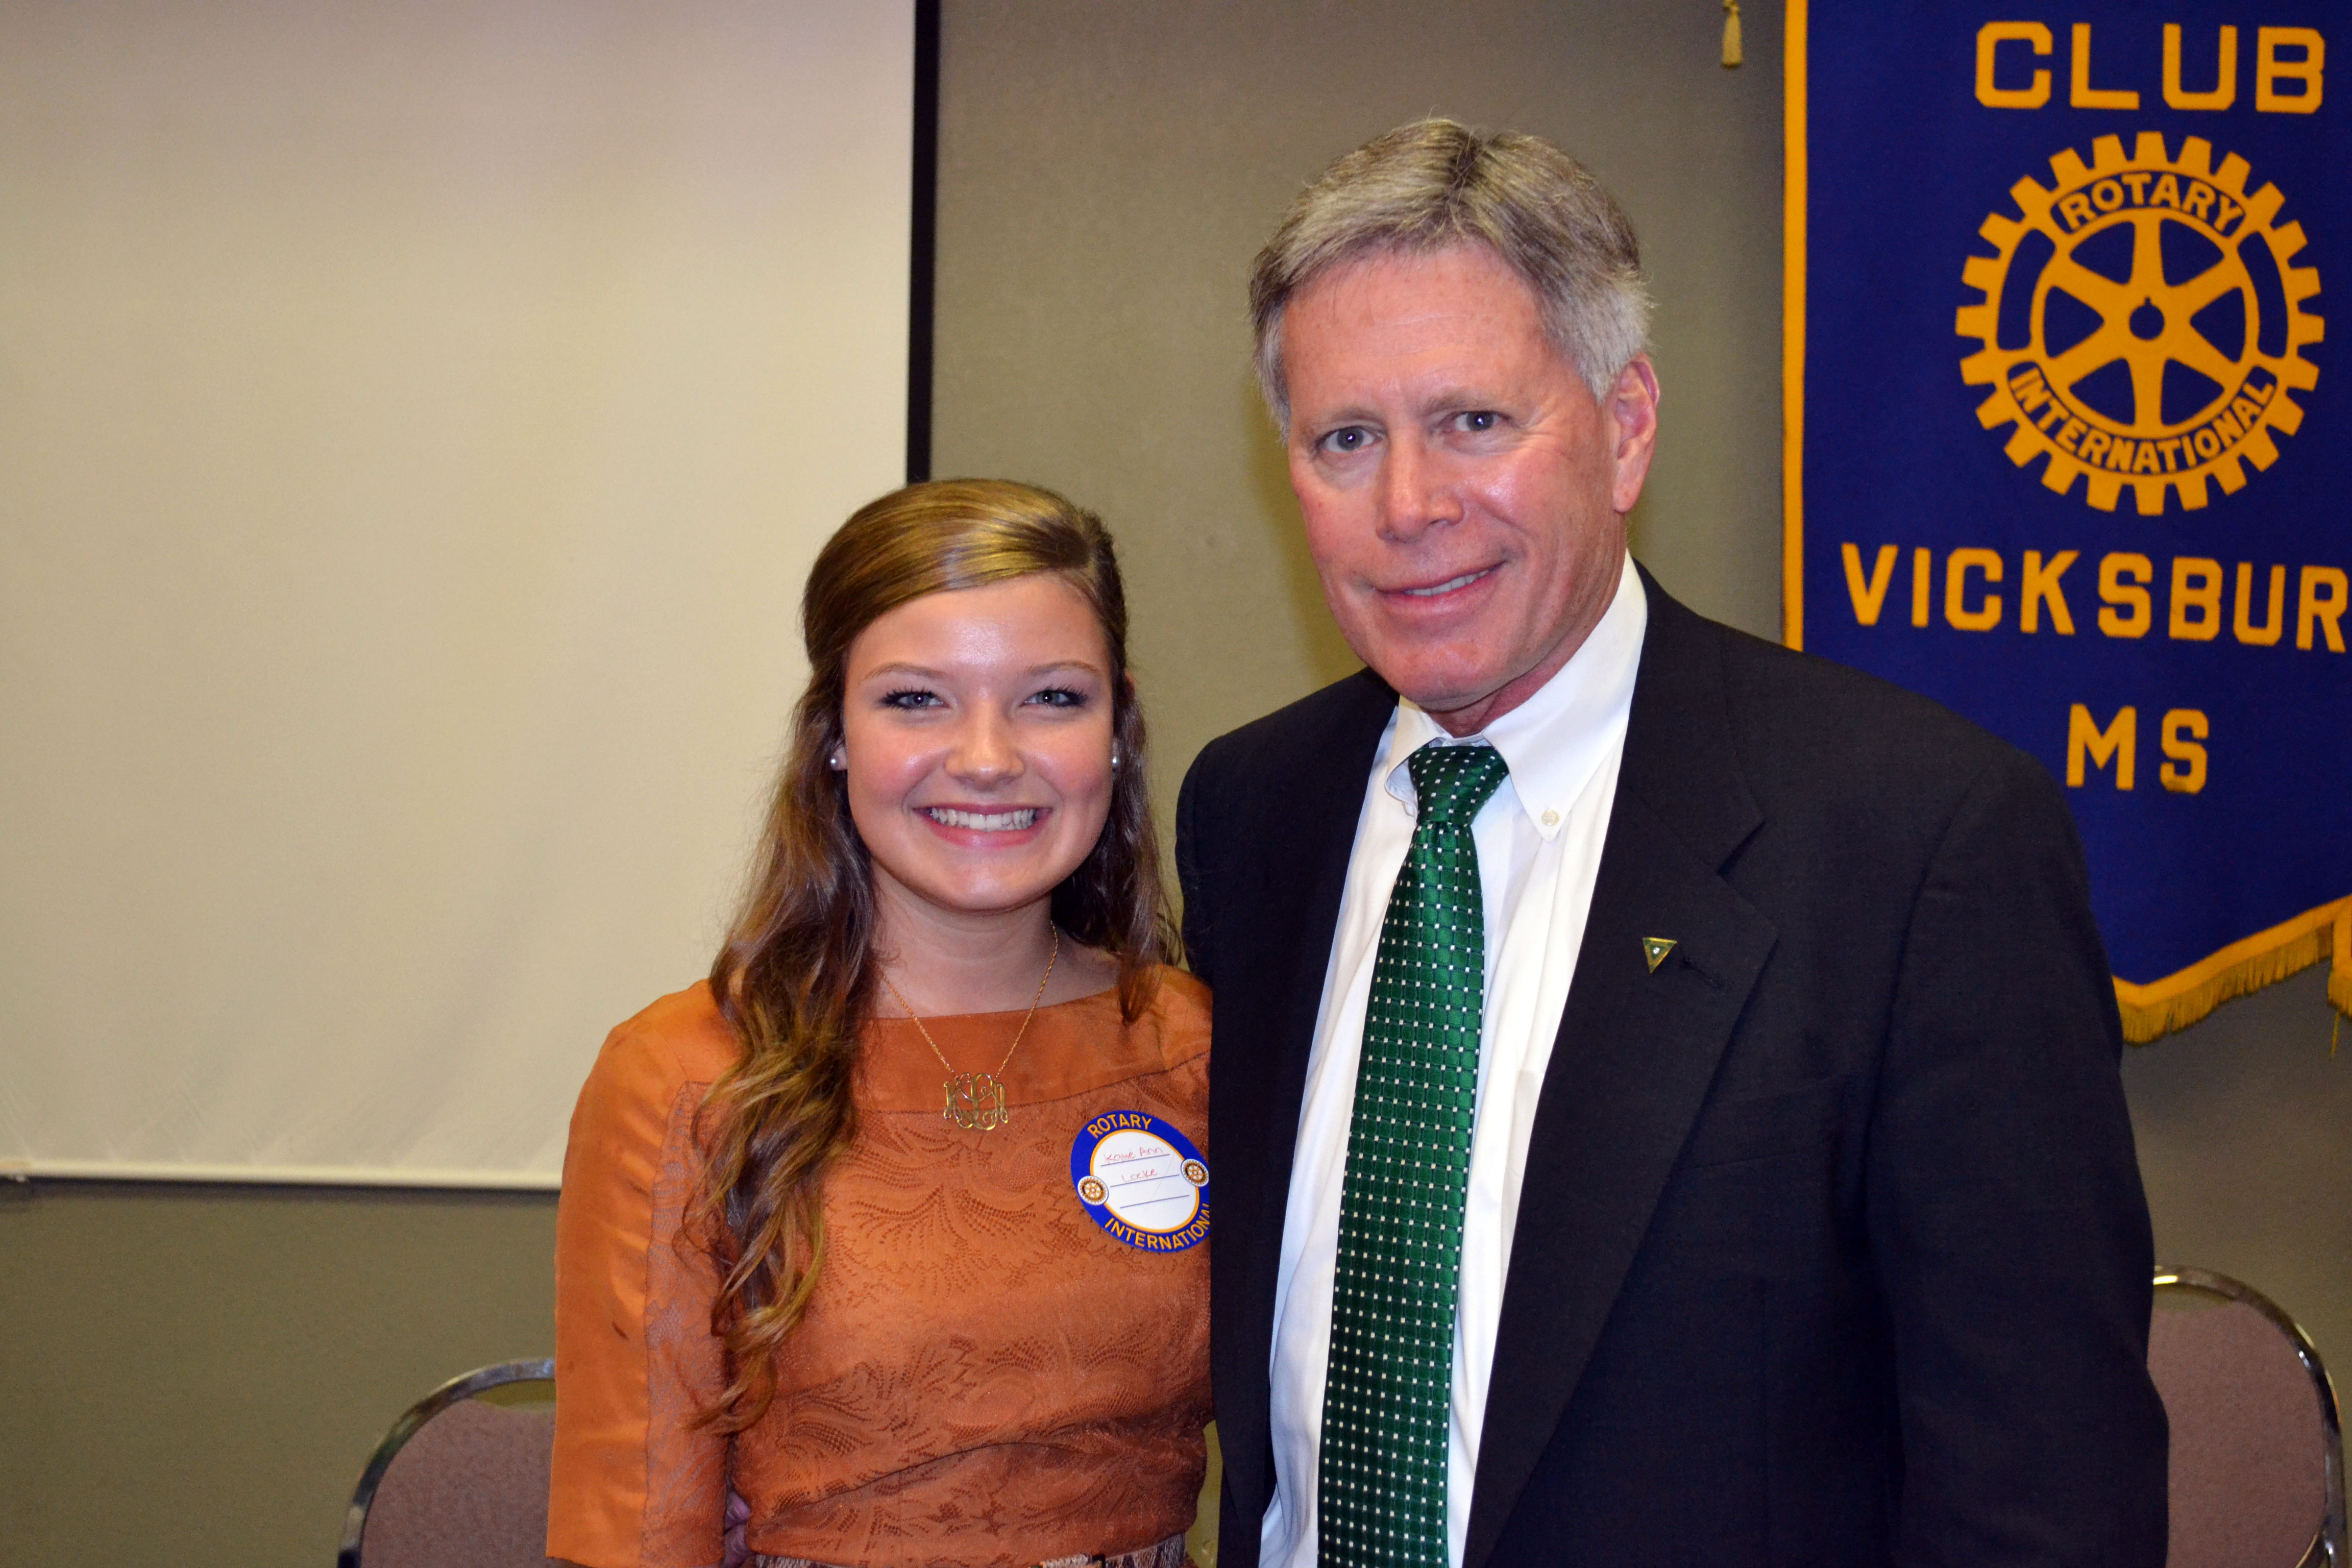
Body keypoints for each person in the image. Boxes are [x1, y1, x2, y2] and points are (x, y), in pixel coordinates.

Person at [1177, 120, 2167, 1568]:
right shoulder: (1255, 813)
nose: (1407, 507)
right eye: (1346, 439)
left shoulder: (1917, 841)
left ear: (1626, 425)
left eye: (1472, 422)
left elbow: (2043, 1491)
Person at [550, 480, 1212, 1568]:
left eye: (1052, 697)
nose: (989, 757)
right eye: (916, 700)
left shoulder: (1193, 1045)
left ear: (1119, 729)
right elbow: (631, 1531)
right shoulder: (689, 1077)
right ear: (834, 737)